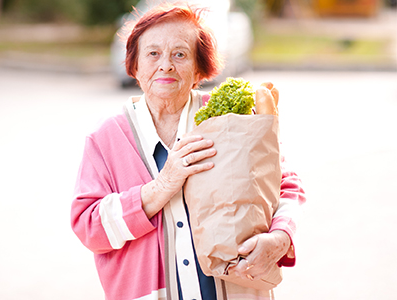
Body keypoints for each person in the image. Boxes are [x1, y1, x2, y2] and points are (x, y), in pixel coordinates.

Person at [71, 2, 305, 300]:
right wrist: (161, 187)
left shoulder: (231, 118)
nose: (165, 64)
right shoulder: (105, 139)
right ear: (135, 66)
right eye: (153, 53)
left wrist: (280, 237)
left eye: (180, 54)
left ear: (199, 69)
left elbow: (286, 184)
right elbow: (88, 227)